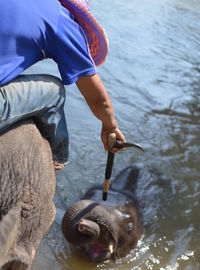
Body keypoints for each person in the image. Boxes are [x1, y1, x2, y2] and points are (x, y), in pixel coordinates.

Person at [0, 0, 125, 170]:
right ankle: (57, 158)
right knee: (54, 92)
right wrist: (110, 127)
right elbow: (98, 101)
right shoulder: (62, 21)